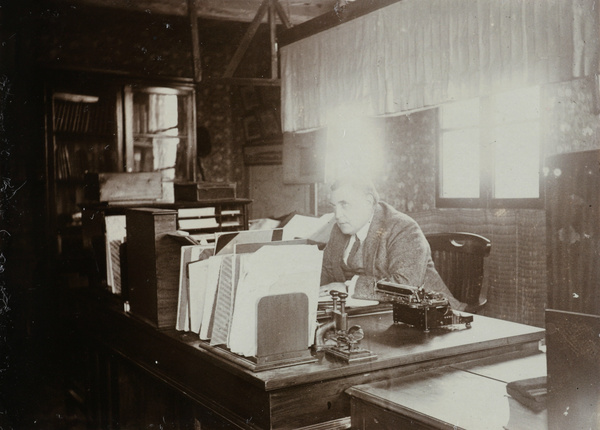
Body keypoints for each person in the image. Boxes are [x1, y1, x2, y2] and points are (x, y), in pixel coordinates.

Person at [320, 176, 467, 311]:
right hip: (372, 314)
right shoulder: (339, 229)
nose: (337, 215)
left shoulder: (402, 227)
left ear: (368, 201)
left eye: (344, 205)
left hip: (429, 314)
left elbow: (405, 285)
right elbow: (326, 270)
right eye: (334, 206)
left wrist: (348, 288)